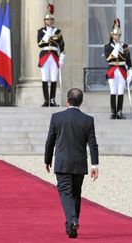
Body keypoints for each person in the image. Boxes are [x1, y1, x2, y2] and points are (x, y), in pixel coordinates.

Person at [44, 88, 99, 239]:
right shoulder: (88, 120)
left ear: (67, 101)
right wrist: (95, 165)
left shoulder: (56, 117)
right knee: (76, 194)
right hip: (79, 164)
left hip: (62, 163)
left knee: (65, 193)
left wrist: (47, 160)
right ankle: (72, 227)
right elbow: (93, 144)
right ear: (81, 102)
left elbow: (50, 141)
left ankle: (72, 220)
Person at [104, 19, 132, 119]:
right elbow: (108, 59)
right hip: (112, 69)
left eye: (119, 35)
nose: (117, 37)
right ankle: (113, 112)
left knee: (121, 90)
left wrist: (131, 72)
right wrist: (116, 48)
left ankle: (119, 112)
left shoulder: (125, 46)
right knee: (113, 90)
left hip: (121, 69)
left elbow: (128, 60)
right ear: (112, 35)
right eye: (116, 35)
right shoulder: (107, 46)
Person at [38, 4, 65, 107]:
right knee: (45, 78)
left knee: (54, 78)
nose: (49, 22)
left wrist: (62, 59)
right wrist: (47, 33)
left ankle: (52, 100)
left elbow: (62, 46)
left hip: (54, 55)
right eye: (47, 20)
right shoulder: (41, 31)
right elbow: (39, 43)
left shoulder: (57, 31)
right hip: (44, 55)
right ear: (44, 21)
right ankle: (46, 100)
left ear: (53, 21)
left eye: (51, 20)